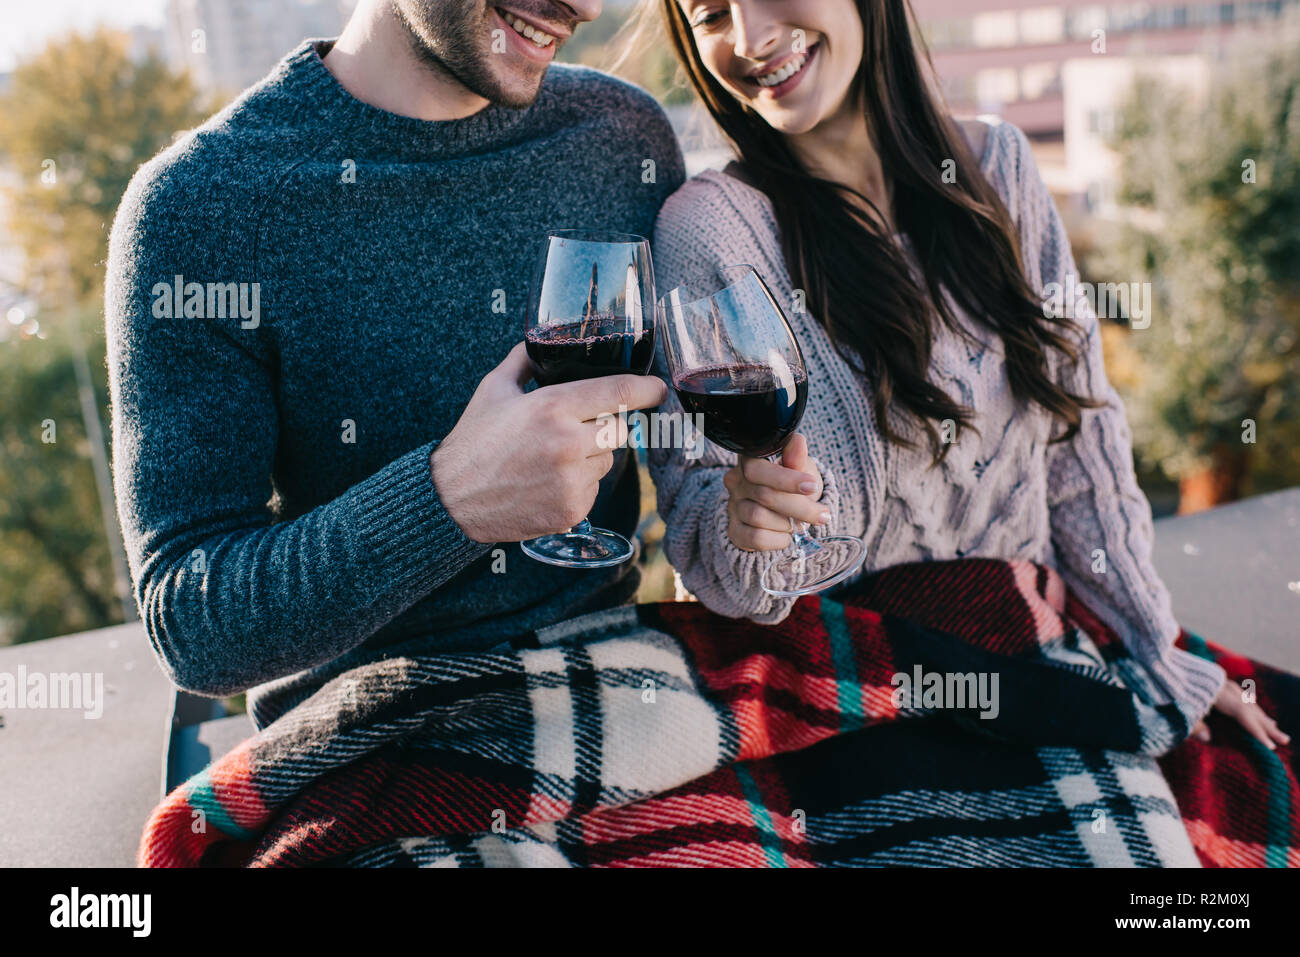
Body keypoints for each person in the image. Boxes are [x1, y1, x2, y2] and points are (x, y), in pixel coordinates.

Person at [642, 0, 1288, 749]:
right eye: (712, 13)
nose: (751, 40)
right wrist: (746, 530)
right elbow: (709, 545)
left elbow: (1082, 444)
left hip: (1036, 653)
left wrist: (1156, 647)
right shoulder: (708, 230)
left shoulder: (1000, 169)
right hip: (835, 694)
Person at [105, 0, 683, 728]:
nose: (587, 6)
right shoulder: (202, 207)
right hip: (369, 737)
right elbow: (192, 625)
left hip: (626, 696)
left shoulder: (619, 137)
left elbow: (685, 443)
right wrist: (451, 500)